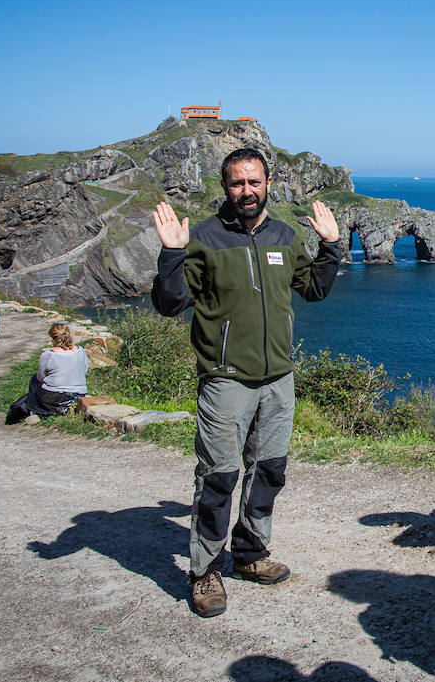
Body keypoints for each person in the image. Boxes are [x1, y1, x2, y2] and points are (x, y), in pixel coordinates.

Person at [151, 147, 345, 618]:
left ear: (268, 182)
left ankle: (251, 554)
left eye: (253, 182)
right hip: (225, 380)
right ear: (225, 187)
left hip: (278, 377)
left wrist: (333, 247)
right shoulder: (204, 237)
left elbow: (314, 289)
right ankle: (205, 571)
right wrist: (172, 253)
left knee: (268, 471)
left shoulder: (283, 234)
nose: (246, 191)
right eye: (237, 183)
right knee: (218, 477)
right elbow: (169, 304)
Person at [5, 323, 88, 423]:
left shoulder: (49, 355)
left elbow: (41, 377)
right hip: (79, 393)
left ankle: (35, 410)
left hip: (56, 396)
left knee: (34, 380)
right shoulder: (81, 351)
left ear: (53, 338)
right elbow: (85, 371)